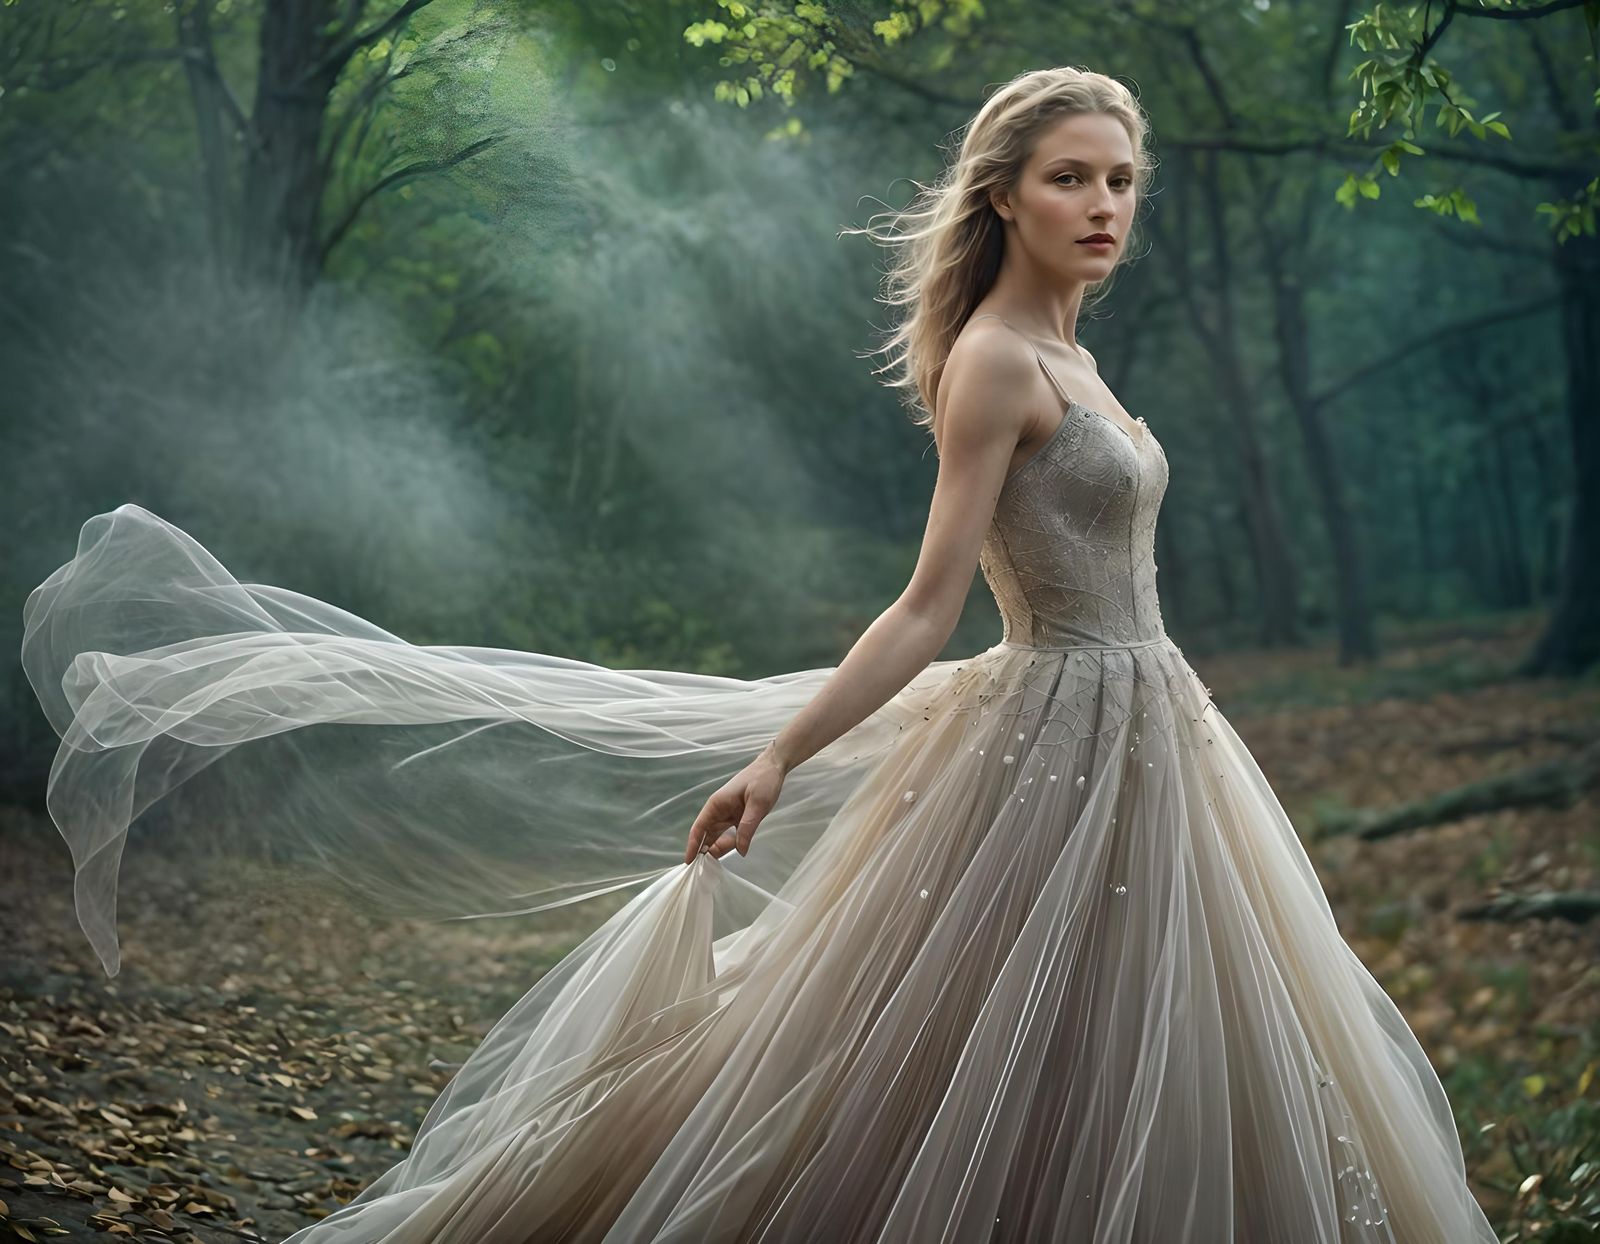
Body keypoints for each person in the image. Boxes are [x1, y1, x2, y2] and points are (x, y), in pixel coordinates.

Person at [21, 66, 1498, 1243]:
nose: (1105, 204)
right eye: (1073, 178)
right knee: (957, 1043)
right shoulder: (995, 358)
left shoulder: (1081, 357)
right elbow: (929, 605)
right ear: (1007, 196)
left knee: (1138, 1038)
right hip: (1051, 730)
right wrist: (781, 755)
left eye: (1121, 180)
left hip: (1155, 732)